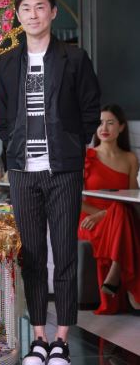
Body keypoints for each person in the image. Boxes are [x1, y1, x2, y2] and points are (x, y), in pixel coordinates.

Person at [0, 0, 101, 365]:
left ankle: (62, 339)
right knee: (33, 255)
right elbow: (3, 116)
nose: (33, 15)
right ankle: (37, 338)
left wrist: (76, 142)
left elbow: (91, 107)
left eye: (40, 8)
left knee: (65, 256)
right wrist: (14, 146)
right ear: (18, 17)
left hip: (64, 170)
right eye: (26, 9)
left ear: (52, 13)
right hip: (23, 170)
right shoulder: (6, 63)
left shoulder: (73, 59)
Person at [78, 105, 140, 315]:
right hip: (89, 218)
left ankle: (115, 271)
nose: (104, 127)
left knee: (122, 209)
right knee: (121, 212)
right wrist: (99, 215)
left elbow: (132, 196)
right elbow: (74, 199)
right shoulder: (86, 156)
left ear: (121, 127)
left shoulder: (131, 158)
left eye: (110, 122)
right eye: (100, 122)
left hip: (117, 216)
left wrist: (106, 213)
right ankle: (130, 285)